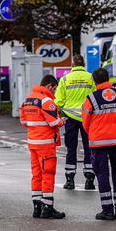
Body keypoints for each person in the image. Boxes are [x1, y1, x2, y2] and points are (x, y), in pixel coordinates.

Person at [82, 68, 116, 221]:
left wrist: (94, 132)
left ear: (94, 81)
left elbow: (85, 122)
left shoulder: (91, 98)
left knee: (102, 175)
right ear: (108, 78)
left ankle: (107, 210)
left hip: (98, 142)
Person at [20, 75, 66, 219]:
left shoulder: (27, 100)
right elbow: (54, 123)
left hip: (33, 143)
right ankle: (48, 207)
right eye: (54, 89)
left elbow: (23, 122)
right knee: (48, 174)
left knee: (36, 174)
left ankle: (37, 207)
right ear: (49, 86)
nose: (54, 92)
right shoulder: (46, 101)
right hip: (46, 144)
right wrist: (62, 120)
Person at [55, 55, 96, 191]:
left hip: (70, 118)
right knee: (89, 148)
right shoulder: (91, 78)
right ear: (83, 64)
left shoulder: (65, 79)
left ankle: (70, 180)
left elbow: (59, 101)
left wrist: (59, 112)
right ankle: (89, 180)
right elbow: (95, 96)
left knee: (71, 149)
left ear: (72, 65)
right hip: (87, 117)